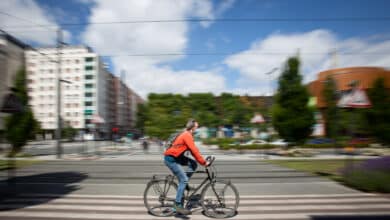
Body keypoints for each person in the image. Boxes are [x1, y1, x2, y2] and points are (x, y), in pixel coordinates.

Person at [164, 119, 209, 215]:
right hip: (171, 159)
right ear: (192, 128)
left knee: (193, 164)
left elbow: (193, 151)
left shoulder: (187, 134)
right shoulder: (187, 135)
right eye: (197, 127)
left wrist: (201, 161)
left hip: (177, 157)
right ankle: (177, 205)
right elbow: (194, 151)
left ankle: (184, 184)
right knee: (183, 179)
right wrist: (204, 162)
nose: (197, 128)